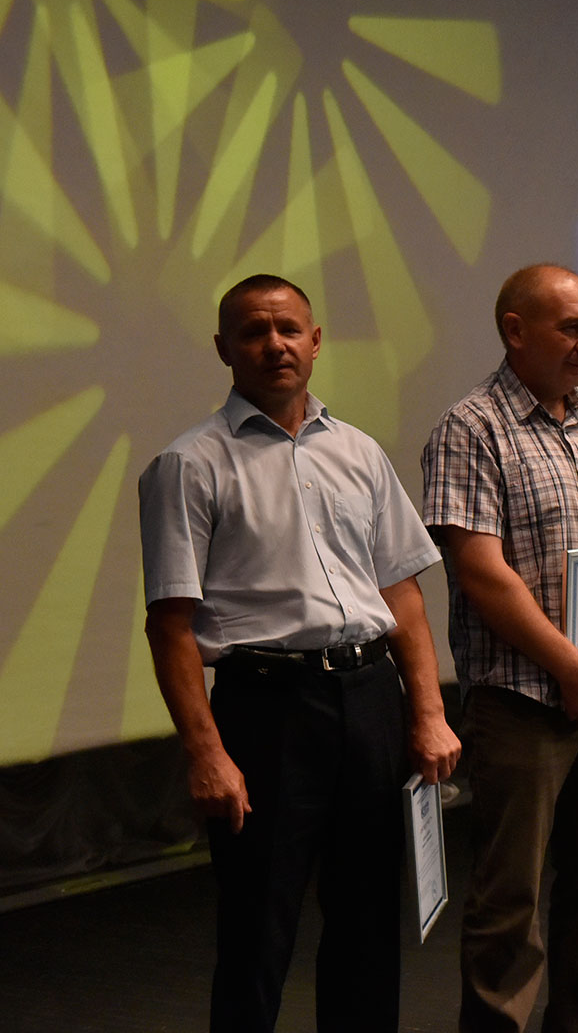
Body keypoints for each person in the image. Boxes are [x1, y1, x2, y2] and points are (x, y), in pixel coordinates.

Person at [137, 274, 460, 1033]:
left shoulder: (358, 450)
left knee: (369, 924)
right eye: (254, 331)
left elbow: (402, 593)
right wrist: (205, 754)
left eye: (289, 329)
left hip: (369, 698)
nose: (274, 344)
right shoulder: (188, 464)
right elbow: (170, 625)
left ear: (315, 341)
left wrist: (428, 712)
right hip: (266, 709)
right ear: (224, 348)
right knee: (258, 928)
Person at [421, 263, 578, 1033]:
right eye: (570, 328)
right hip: (523, 703)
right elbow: (480, 572)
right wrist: (571, 667)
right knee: (510, 900)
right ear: (515, 331)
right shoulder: (471, 428)